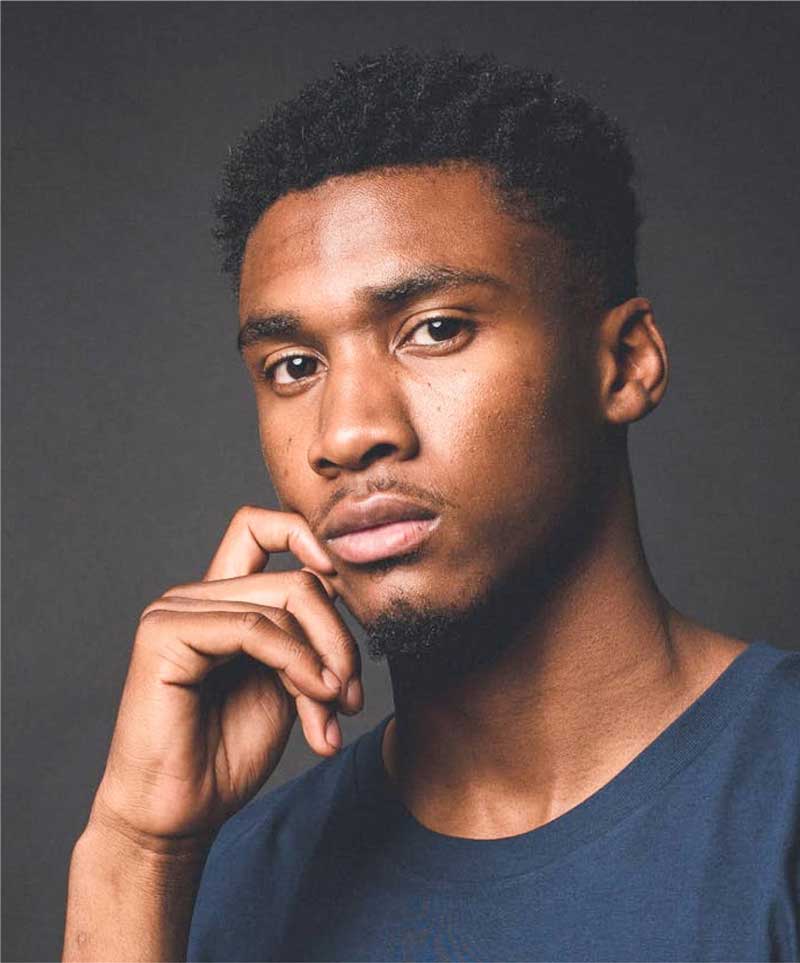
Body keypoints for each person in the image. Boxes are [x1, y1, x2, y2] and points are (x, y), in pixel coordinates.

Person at [62, 49, 799, 962]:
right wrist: (134, 850)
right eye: (294, 366)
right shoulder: (209, 883)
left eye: (436, 330)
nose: (345, 433)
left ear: (624, 363)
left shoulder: (780, 798)